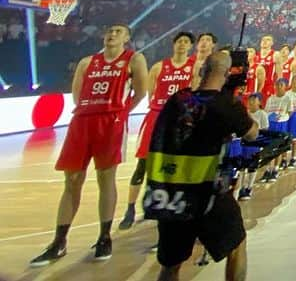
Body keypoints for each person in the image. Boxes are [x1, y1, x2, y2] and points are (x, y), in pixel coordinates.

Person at [31, 24, 149, 267]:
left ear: (127, 38)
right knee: (72, 180)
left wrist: (121, 113)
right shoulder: (87, 62)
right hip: (83, 121)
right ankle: (59, 241)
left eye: (118, 31)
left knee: (106, 178)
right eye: (110, 31)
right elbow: (77, 94)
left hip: (111, 120)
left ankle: (105, 237)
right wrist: (88, 110)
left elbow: (140, 91)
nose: (112, 34)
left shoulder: (134, 59)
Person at [151, 49, 260, 281]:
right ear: (227, 75)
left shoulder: (177, 100)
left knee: (171, 264)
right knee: (236, 246)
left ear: (201, 71)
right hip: (209, 195)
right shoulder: (227, 105)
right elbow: (252, 133)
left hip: (172, 195)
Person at [120, 31, 196, 231]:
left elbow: (195, 92)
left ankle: (168, 209)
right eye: (179, 41)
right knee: (142, 165)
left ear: (190, 47)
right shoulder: (159, 66)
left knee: (173, 167)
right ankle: (130, 209)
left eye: (186, 42)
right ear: (174, 44)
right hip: (156, 116)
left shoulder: (193, 67)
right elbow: (151, 93)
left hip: (180, 120)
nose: (182, 44)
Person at [237, 94, 269, 200]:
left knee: (252, 166)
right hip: (244, 143)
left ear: (259, 102)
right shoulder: (246, 114)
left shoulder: (262, 114)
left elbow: (264, 130)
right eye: (249, 100)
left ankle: (249, 187)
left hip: (254, 143)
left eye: (253, 100)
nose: (250, 102)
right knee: (242, 166)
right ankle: (241, 187)